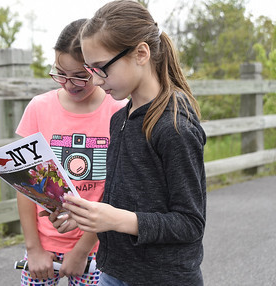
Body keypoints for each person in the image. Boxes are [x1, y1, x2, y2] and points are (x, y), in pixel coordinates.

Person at [52, 1, 207, 285]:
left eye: (101, 68)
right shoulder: (120, 118)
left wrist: (115, 220)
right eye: (90, 70)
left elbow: (190, 223)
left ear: (141, 53)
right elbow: (123, 197)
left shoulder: (175, 128)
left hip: (163, 278)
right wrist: (88, 217)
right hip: (114, 272)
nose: (96, 81)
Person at [15, 18, 127, 286]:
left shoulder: (118, 110)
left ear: (98, 69)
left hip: (97, 247)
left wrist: (82, 251)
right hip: (43, 244)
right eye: (61, 73)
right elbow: (24, 184)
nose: (69, 83)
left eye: (80, 76)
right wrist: (33, 249)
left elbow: (117, 191)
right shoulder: (39, 108)